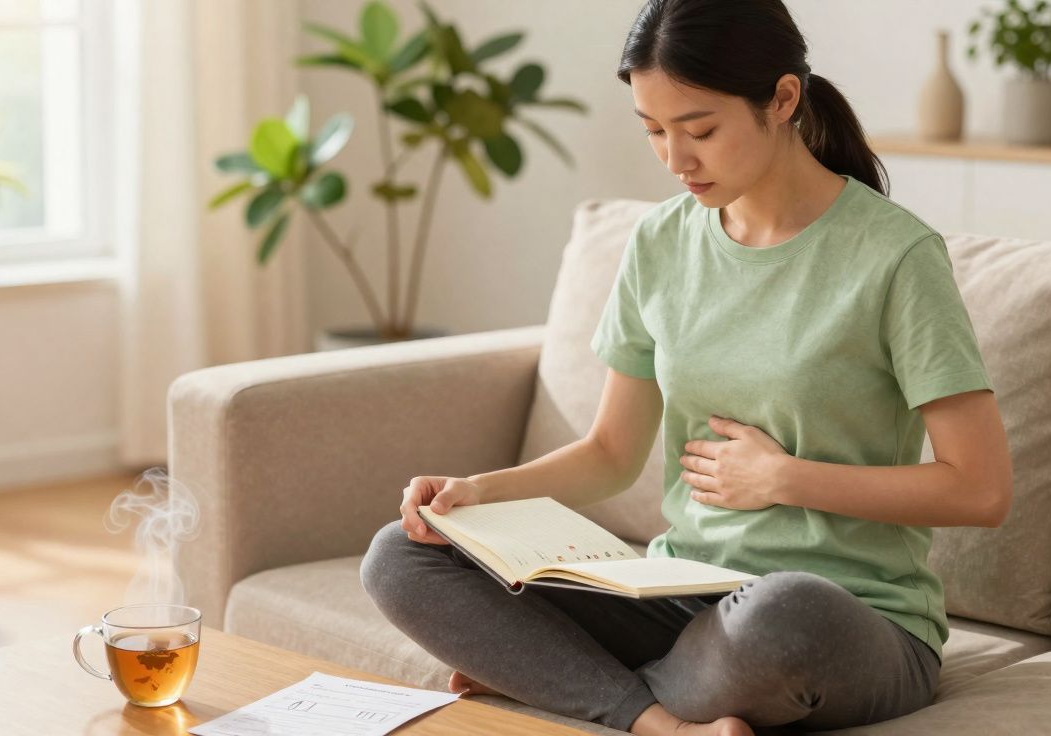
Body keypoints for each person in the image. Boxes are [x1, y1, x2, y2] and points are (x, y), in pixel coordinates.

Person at [360, 0, 1014, 734]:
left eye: (699, 129)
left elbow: (981, 488)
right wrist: (476, 494)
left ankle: (560, 683)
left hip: (845, 617)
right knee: (403, 556)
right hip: (675, 595)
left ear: (783, 99)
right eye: (654, 131)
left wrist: (784, 479)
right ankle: (658, 721)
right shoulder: (660, 243)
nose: (676, 159)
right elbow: (610, 454)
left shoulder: (894, 257)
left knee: (781, 613)